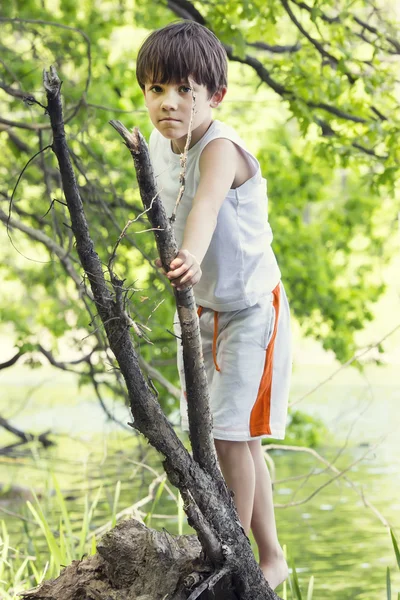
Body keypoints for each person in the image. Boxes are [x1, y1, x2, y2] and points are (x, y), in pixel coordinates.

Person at [136, 20, 292, 590]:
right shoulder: (155, 140)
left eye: (184, 89)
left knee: (228, 433)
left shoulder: (221, 146)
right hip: (202, 309)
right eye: (155, 89)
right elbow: (166, 201)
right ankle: (271, 557)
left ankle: (238, 554)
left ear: (215, 95)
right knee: (233, 436)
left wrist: (191, 257)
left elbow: (202, 205)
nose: (168, 103)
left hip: (251, 307)